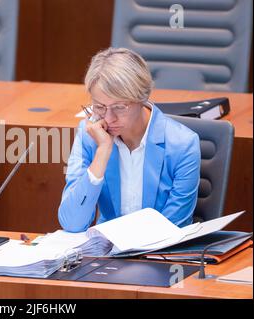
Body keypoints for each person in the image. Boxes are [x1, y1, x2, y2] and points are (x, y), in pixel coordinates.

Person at [58, 47, 201, 233]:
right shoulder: (90, 136)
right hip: (106, 252)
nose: (108, 119)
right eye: (99, 107)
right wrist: (102, 153)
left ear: (142, 99)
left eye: (119, 107)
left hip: (157, 255)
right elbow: (72, 223)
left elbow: (173, 229)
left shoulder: (183, 144)